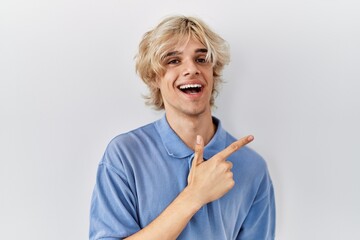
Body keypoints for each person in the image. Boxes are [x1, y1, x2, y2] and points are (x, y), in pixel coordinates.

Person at [89, 15, 276, 240]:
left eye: (201, 59)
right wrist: (194, 196)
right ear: (154, 78)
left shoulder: (252, 167)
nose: (191, 69)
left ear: (213, 73)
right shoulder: (124, 155)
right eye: (173, 60)